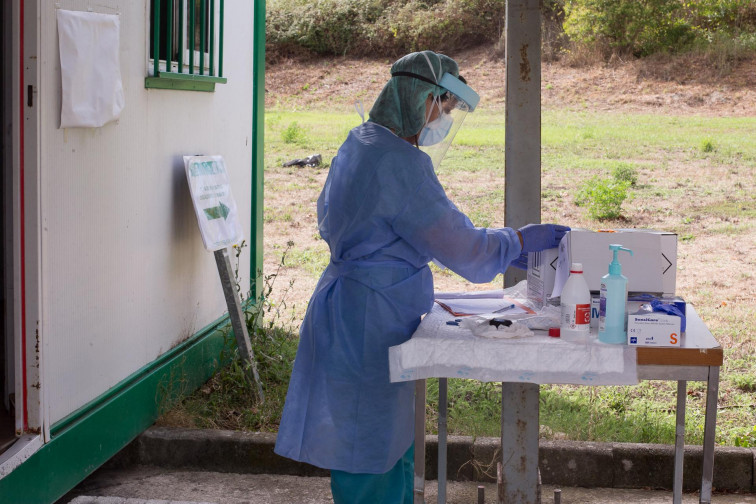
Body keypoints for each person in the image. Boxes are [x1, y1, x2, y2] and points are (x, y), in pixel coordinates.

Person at [274, 50, 569, 503]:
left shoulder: (362, 142)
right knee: (369, 448)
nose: (444, 121)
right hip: (372, 318)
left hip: (353, 305)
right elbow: (464, 249)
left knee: (385, 442)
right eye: (444, 108)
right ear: (420, 99)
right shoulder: (400, 164)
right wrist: (519, 240)